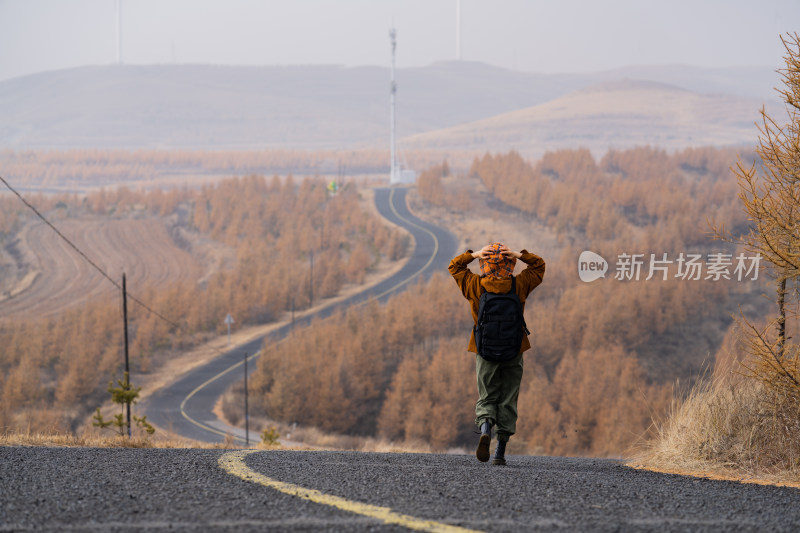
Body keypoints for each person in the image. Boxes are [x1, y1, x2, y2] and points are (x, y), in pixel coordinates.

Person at [448, 242, 545, 465]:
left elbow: (454, 267)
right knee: (508, 397)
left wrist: (473, 255)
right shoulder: (519, 284)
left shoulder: (474, 284)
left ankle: (485, 429)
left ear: (484, 264)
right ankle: (500, 451)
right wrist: (520, 255)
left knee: (487, 395)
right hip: (514, 348)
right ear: (510, 265)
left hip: (484, 349)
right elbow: (539, 266)